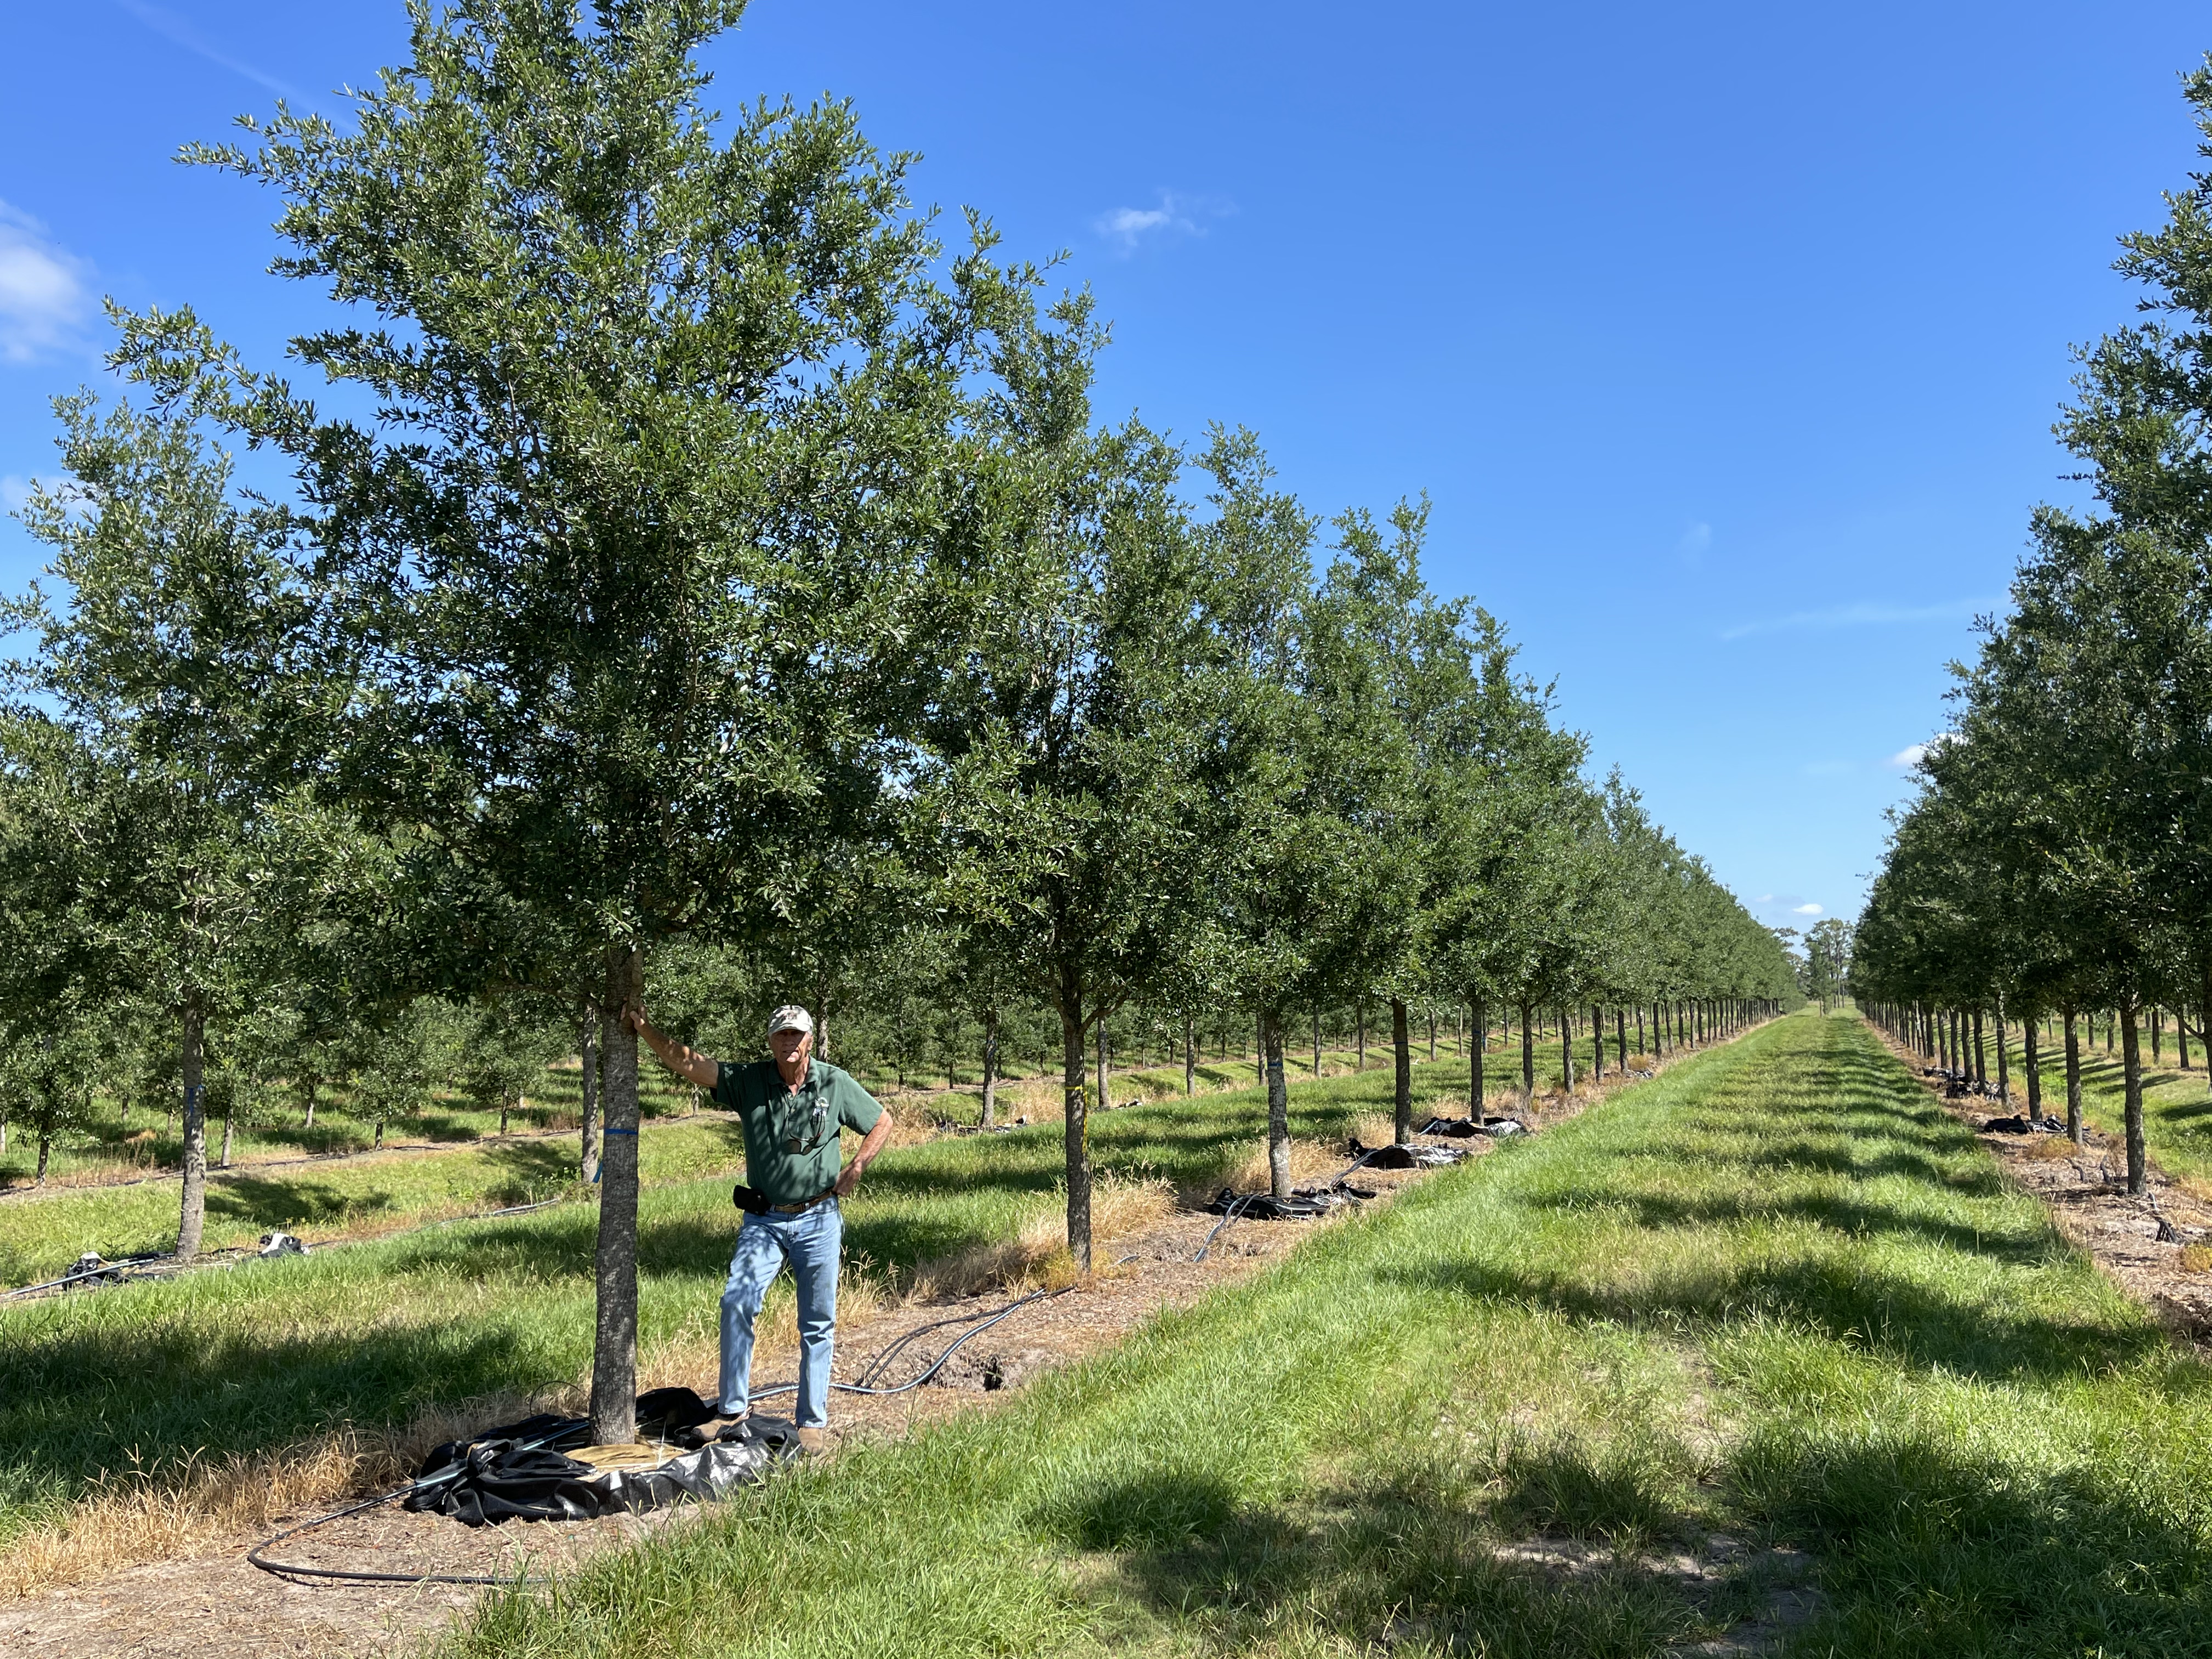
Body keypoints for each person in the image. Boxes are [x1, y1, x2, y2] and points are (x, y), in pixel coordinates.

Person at [628, 1002, 891, 1452]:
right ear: (771, 1042)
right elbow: (692, 1064)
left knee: (818, 1322)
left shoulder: (833, 1083)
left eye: (796, 1035)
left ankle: (812, 1423)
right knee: (737, 1302)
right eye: (781, 1036)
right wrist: (646, 1029)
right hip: (764, 1220)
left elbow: (883, 1120)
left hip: (819, 1217)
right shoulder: (750, 1082)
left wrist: (858, 1166)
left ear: (809, 1040)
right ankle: (731, 1410)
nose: (789, 1042)